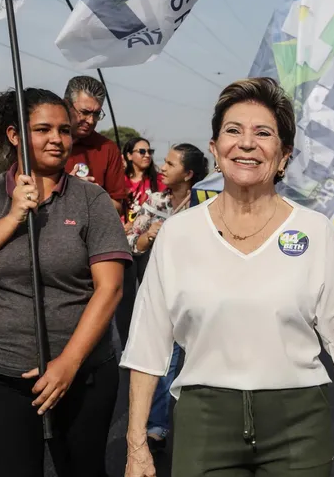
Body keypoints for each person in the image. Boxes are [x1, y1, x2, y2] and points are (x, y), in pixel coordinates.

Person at [122, 78, 334, 477]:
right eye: (233, 131)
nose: (247, 143)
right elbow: (147, 349)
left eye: (263, 133)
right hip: (203, 424)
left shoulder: (315, 231)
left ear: (284, 154)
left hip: (299, 425)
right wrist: (136, 446)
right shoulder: (177, 235)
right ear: (215, 149)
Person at [0, 88, 131, 477]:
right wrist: (10, 218)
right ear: (14, 135)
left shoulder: (91, 200)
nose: (56, 139)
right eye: (42, 129)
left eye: (64, 130)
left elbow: (110, 289)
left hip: (81, 377)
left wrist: (67, 364)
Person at [123, 143, 208, 451]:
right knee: (164, 362)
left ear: (187, 173)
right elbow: (132, 242)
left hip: (201, 297)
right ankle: (157, 423)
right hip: (163, 293)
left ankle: (204, 423)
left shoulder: (206, 205)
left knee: (200, 361)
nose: (162, 167)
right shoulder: (155, 201)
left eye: (170, 164)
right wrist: (149, 235)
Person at [62, 75, 130, 214]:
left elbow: (118, 207)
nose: (91, 121)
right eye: (85, 112)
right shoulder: (43, 141)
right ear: (66, 105)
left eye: (97, 114)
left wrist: (92, 195)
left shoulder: (107, 149)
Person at [122, 137, 163, 224]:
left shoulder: (160, 180)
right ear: (129, 155)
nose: (147, 155)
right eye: (142, 151)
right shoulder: (120, 181)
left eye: (150, 152)